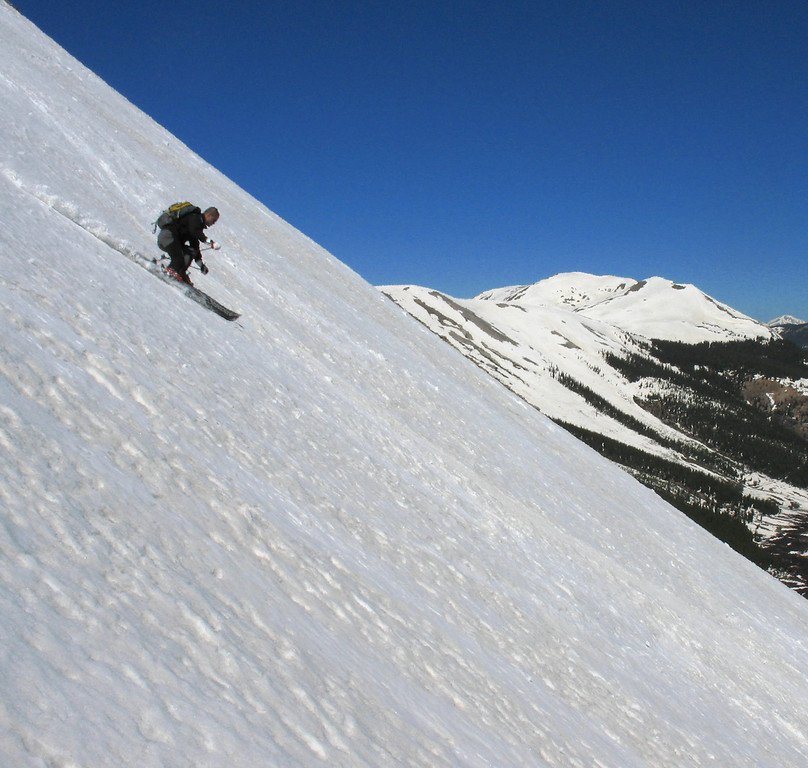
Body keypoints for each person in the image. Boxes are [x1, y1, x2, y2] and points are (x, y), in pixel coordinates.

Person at [157, 205, 220, 285]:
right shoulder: (195, 218)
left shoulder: (197, 225)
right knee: (178, 258)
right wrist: (210, 242)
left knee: (190, 252)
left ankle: (180, 273)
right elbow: (195, 232)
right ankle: (170, 272)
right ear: (208, 215)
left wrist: (201, 265)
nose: (213, 223)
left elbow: (195, 246)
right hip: (168, 237)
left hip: (170, 240)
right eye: (214, 220)